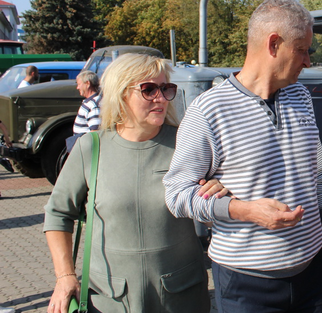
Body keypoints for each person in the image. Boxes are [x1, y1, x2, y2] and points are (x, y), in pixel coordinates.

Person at [163, 0, 322, 313]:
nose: (308, 61)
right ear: (274, 44)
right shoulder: (209, 111)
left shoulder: (301, 97)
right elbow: (176, 195)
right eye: (303, 50)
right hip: (247, 287)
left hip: (312, 278)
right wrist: (244, 210)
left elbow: (319, 177)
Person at [44, 54, 225, 313]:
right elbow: (58, 213)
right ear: (121, 94)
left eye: (166, 88)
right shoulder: (91, 148)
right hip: (110, 299)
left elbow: (215, 211)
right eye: (149, 90)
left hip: (180, 296)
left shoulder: (187, 144)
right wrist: (64, 277)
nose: (161, 98)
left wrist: (218, 192)